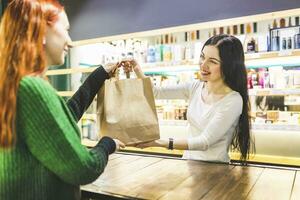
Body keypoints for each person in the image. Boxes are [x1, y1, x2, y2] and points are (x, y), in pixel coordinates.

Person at [0, 0, 125, 199]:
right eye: (66, 30)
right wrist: (107, 144)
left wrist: (100, 74)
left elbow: (62, 119)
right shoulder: (32, 88)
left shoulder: (16, 83)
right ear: (40, 31)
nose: (70, 40)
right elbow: (83, 167)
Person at [125, 34, 253, 163]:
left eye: (212, 61)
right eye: (202, 57)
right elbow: (156, 92)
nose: (203, 65)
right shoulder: (195, 87)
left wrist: (159, 143)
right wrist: (137, 69)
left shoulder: (233, 100)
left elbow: (205, 141)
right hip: (189, 164)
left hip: (216, 170)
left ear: (229, 66)